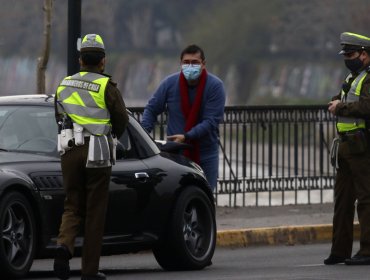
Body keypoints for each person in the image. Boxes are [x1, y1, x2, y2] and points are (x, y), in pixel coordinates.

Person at [53, 34, 129, 280]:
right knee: (95, 211)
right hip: (97, 152)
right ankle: (89, 271)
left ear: (80, 59)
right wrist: (112, 134)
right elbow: (121, 119)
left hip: (70, 149)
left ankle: (63, 246)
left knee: (72, 204)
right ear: (103, 61)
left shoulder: (64, 84)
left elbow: (58, 116)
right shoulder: (107, 86)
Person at [141, 44, 225, 191]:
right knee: (177, 196)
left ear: (203, 64)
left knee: (205, 196)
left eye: (195, 62)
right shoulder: (169, 84)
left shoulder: (215, 86)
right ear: (180, 64)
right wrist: (143, 134)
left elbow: (211, 121)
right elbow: (152, 109)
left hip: (205, 153)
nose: (190, 66)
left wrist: (187, 136)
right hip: (176, 154)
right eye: (186, 62)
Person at [325, 32, 370, 265]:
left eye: (351, 54)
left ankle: (367, 251)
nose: (347, 58)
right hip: (345, 146)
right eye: (345, 54)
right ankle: (339, 251)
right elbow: (349, 98)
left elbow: (365, 107)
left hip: (363, 147)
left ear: (364, 54)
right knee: (342, 202)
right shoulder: (354, 76)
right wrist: (336, 101)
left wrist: (340, 106)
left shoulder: (369, 77)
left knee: (365, 200)